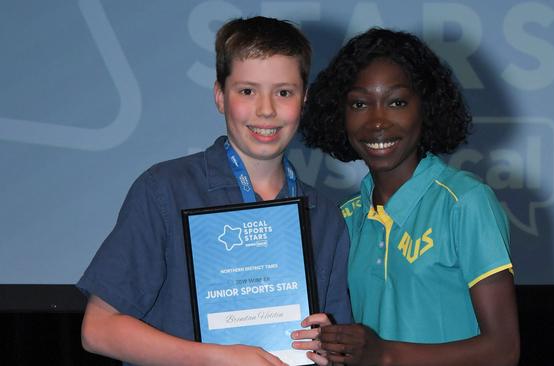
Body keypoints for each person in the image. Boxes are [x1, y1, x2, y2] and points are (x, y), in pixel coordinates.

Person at [77, 16, 352, 366]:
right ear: (220, 96)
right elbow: (98, 329)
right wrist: (217, 358)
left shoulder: (324, 215)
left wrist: (329, 349)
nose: (266, 110)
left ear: (304, 99)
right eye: (247, 91)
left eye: (283, 92)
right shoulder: (164, 191)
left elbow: (335, 345)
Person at [294, 28, 520, 366]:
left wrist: (384, 354)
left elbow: (504, 351)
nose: (377, 121)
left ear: (425, 108)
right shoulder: (346, 218)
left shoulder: (465, 202)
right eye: (359, 104)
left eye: (397, 102)